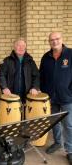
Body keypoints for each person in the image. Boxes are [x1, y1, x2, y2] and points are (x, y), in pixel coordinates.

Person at [40, 32, 72, 164]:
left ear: (62, 39)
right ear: (49, 42)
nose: (54, 42)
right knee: (54, 122)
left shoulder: (70, 54)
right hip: (51, 98)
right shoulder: (46, 57)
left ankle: (70, 150)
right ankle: (58, 142)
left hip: (67, 97)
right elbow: (41, 75)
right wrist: (43, 91)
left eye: (57, 39)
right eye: (52, 40)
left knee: (68, 124)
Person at [0, 38, 40, 104]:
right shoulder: (7, 61)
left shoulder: (30, 62)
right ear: (14, 47)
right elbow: (1, 75)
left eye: (23, 46)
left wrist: (34, 87)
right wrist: (4, 87)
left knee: (26, 114)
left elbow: (36, 76)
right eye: (18, 45)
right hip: (10, 95)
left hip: (27, 96)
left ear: (25, 48)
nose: (21, 48)